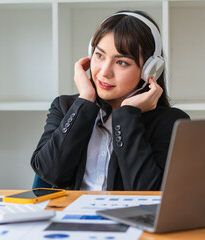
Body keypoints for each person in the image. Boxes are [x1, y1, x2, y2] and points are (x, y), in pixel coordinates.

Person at [31, 10, 190, 191]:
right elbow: (49, 172)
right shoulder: (65, 107)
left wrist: (127, 115)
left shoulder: (172, 122)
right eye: (99, 55)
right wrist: (85, 101)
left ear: (149, 70)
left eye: (121, 62)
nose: (105, 72)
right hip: (69, 217)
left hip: (130, 219)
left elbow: (149, 192)